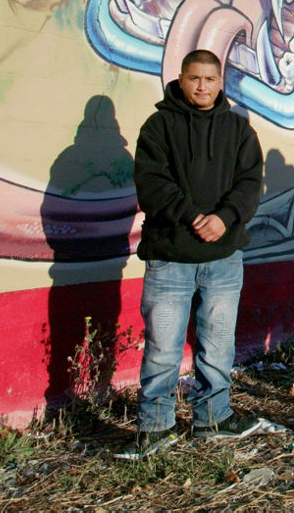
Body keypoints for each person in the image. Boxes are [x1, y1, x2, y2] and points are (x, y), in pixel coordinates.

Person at [117, 49, 265, 460]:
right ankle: (155, 427)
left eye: (210, 79)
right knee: (163, 347)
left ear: (221, 83)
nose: (202, 86)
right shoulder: (158, 127)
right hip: (169, 259)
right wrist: (194, 216)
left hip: (224, 258)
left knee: (217, 345)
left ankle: (213, 418)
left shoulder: (239, 131)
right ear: (180, 80)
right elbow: (152, 185)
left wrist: (226, 218)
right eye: (194, 78)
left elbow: (251, 183)